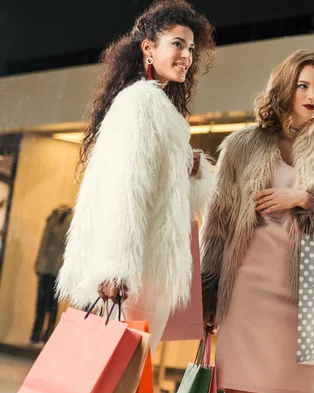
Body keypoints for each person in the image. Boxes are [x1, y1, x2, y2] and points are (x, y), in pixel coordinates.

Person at [201, 50, 314, 393]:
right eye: (303, 86)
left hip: (305, 296)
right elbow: (216, 226)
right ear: (284, 88)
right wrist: (208, 294)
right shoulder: (241, 146)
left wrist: (305, 200)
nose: (313, 97)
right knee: (238, 390)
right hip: (247, 289)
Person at [56, 0, 216, 354]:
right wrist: (116, 268)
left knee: (119, 375)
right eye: (177, 44)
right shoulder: (143, 103)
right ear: (148, 47)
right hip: (134, 271)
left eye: (191, 48)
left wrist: (188, 172)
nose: (187, 56)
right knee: (116, 375)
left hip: (144, 267)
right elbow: (126, 188)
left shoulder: (153, 104)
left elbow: (162, 197)